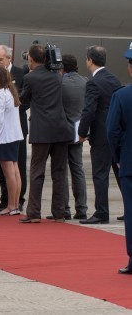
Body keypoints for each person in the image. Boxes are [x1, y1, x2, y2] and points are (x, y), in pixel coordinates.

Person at [19, 44, 74, 223]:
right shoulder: (58, 77)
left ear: (31, 59)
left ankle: (34, 213)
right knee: (59, 172)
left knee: (37, 171)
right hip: (60, 129)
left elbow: (23, 99)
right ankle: (59, 213)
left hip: (41, 130)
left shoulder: (30, 77)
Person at [78, 45, 122, 225]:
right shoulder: (114, 79)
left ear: (90, 60)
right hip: (116, 133)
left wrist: (82, 132)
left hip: (101, 136)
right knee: (120, 173)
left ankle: (102, 212)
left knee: (100, 174)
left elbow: (89, 110)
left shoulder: (93, 82)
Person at [0, 45, 28, 211]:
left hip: (5, 136)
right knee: (16, 171)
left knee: (9, 173)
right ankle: (15, 205)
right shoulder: (10, 91)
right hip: (15, 135)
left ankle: (11, 205)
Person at [106, 43, 132, 274]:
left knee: (131, 211)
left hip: (130, 163)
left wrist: (118, 158)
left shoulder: (122, 96)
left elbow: (112, 131)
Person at [53, 54, 88, 221]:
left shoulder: (60, 82)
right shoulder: (85, 81)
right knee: (78, 169)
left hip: (62, 130)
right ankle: (81, 208)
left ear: (62, 67)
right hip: (79, 130)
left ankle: (64, 208)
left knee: (62, 171)